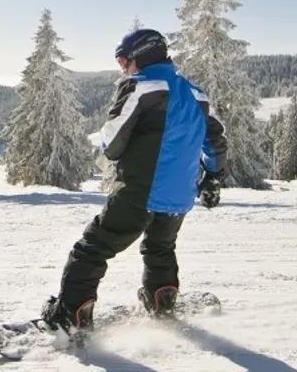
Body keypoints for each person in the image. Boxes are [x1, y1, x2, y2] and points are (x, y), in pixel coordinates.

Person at [40, 27, 228, 337]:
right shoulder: (197, 94)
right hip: (180, 196)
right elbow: (217, 142)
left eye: (123, 61)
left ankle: (69, 317)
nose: (122, 68)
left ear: (140, 57)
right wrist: (213, 178)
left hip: (141, 191)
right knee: (160, 248)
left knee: (91, 249)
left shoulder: (140, 87)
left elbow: (111, 144)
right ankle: (161, 301)